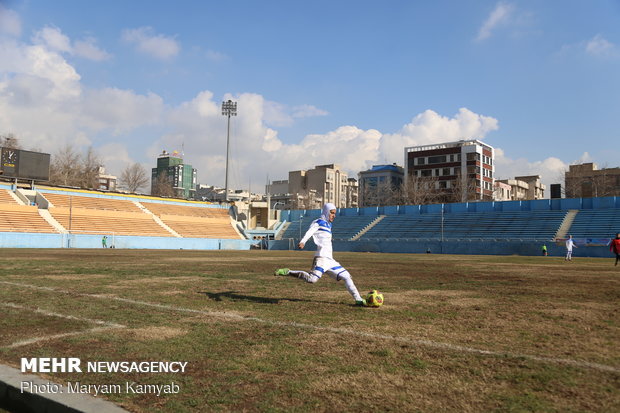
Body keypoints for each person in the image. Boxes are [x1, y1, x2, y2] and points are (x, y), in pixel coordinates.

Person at [274, 203, 367, 306]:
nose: (334, 215)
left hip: (330, 260)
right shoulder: (318, 222)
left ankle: (358, 299)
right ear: (326, 212)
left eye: (334, 213)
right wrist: (303, 241)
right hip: (321, 258)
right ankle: (288, 272)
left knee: (347, 276)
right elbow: (310, 231)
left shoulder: (329, 225)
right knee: (312, 280)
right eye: (332, 213)